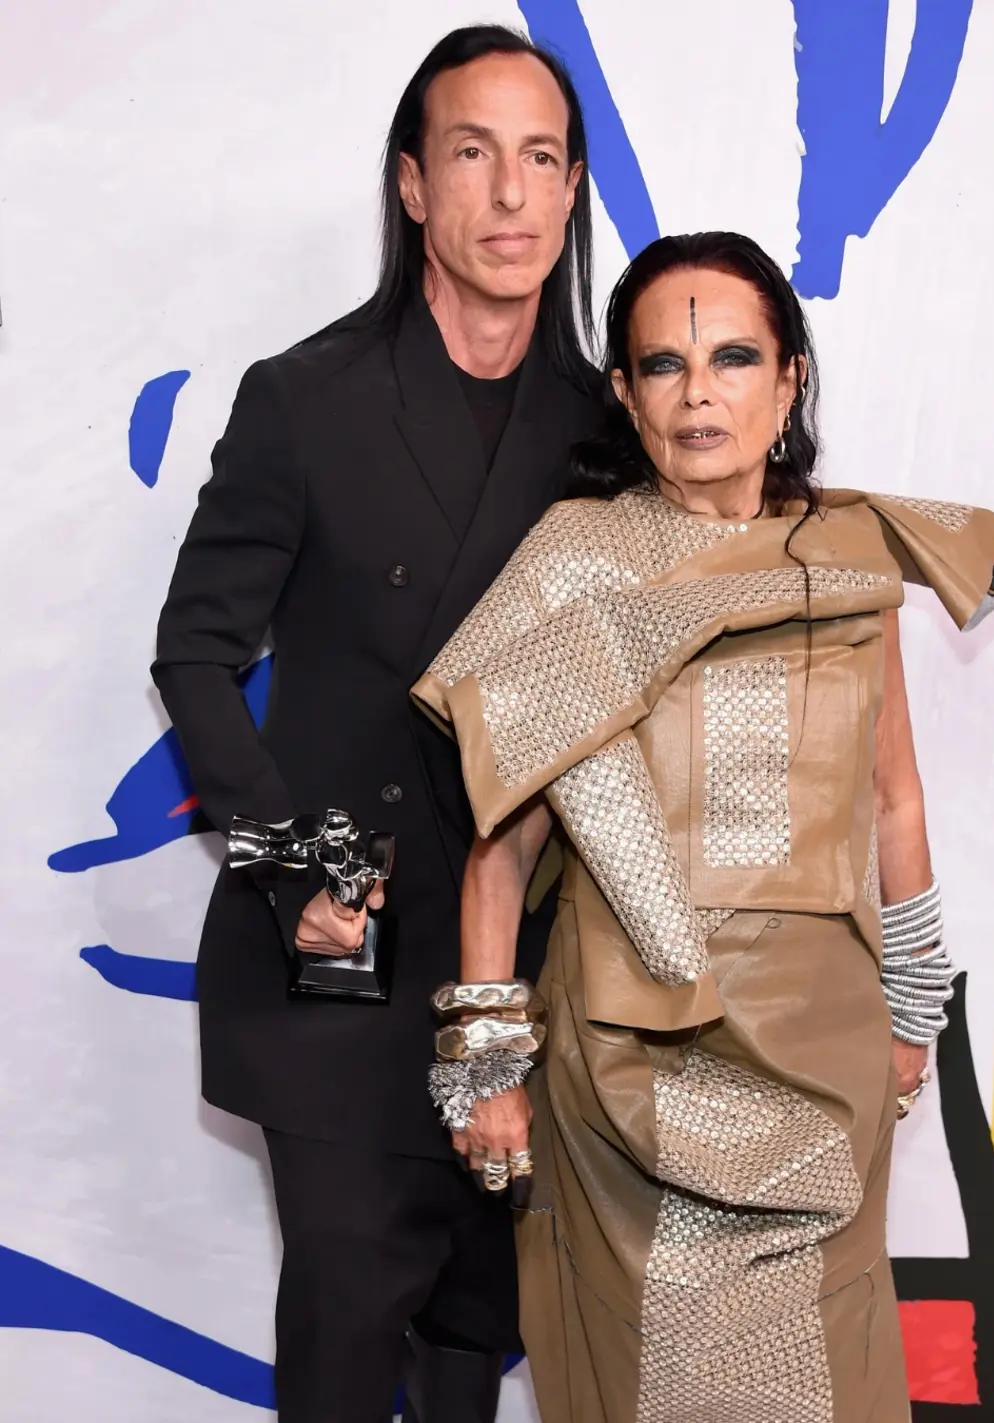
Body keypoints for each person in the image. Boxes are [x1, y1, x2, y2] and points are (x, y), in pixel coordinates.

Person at [412, 231, 994, 1421]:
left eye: (732, 357)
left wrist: (909, 1010)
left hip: (827, 1051)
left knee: (823, 1378)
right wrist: (485, 1063)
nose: (699, 395)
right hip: (639, 1048)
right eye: (662, 365)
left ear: (787, 380)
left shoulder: (849, 557)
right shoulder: (574, 562)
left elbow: (893, 797)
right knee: (656, 1371)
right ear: (626, 398)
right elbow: (505, 836)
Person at [151, 25, 600, 1423]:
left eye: (539, 159)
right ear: (413, 186)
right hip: (337, 960)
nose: (509, 195)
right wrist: (297, 869)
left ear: (574, 191)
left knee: (479, 1334)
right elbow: (195, 655)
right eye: (472, 154)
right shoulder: (304, 398)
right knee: (345, 1333)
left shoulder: (605, 430)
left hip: (524, 973)